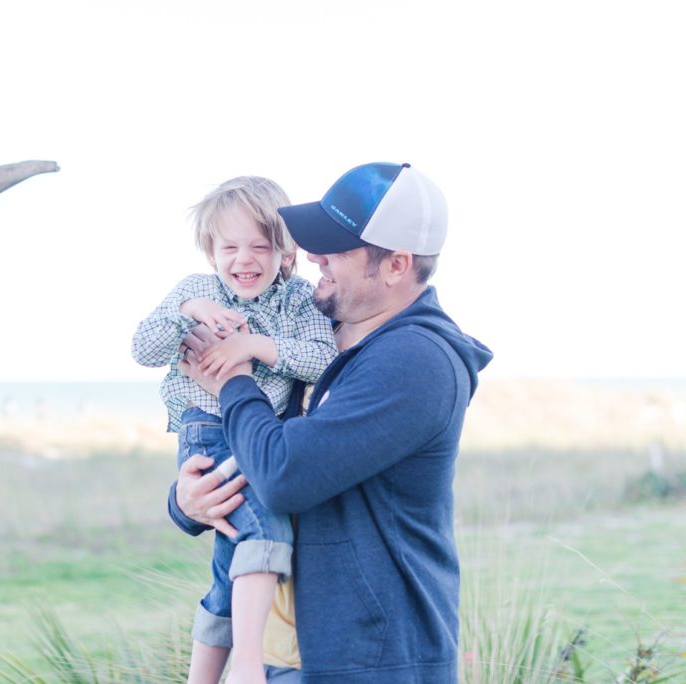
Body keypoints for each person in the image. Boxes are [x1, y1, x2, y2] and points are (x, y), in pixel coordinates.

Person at [170, 162, 493, 682]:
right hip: (284, 660)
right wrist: (188, 503)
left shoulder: (415, 362)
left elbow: (284, 473)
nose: (313, 256)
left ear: (396, 265)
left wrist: (233, 379)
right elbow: (251, 456)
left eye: (336, 248)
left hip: (372, 662)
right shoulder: (313, 340)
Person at [132, 176, 337, 683]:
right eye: (230, 247)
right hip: (206, 430)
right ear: (211, 251)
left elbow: (323, 358)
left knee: (234, 559)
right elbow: (143, 349)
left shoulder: (298, 301)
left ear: (285, 252)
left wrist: (255, 348)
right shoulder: (197, 291)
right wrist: (187, 314)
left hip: (259, 432)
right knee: (264, 531)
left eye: (260, 247)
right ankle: (247, 666)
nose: (244, 259)